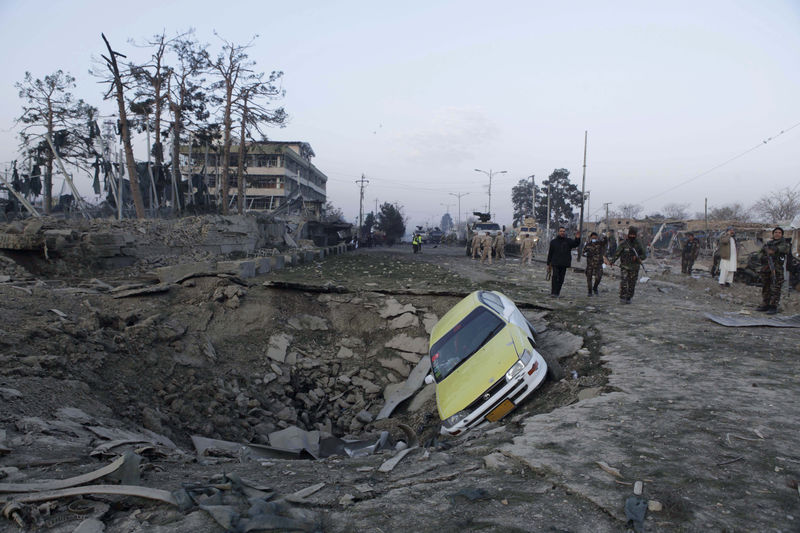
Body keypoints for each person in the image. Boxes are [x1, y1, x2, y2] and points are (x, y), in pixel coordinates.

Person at [606, 226, 647, 304]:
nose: (632, 236)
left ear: (635, 235)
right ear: (628, 234)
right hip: (624, 266)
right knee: (624, 282)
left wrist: (638, 257)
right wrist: (612, 261)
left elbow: (644, 255)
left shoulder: (639, 244)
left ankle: (629, 297)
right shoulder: (624, 244)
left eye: (633, 235)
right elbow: (617, 254)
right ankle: (622, 297)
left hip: (634, 267)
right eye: (630, 234)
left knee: (632, 283)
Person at [756, 227, 791, 314]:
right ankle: (765, 304)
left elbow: (784, 249)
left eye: (779, 232)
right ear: (773, 233)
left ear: (782, 234)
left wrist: (775, 250)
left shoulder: (784, 243)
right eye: (776, 232)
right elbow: (759, 254)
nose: (777, 234)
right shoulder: (768, 244)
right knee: (766, 287)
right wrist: (763, 256)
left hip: (777, 269)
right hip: (766, 268)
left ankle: (773, 306)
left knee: (776, 288)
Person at [546, 226, 581, 297]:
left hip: (564, 263)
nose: (562, 232)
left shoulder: (568, 241)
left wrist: (577, 238)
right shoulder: (553, 242)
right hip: (555, 263)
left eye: (563, 231)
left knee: (561, 279)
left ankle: (557, 293)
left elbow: (575, 244)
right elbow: (550, 253)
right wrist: (548, 263)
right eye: (561, 231)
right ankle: (553, 292)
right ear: (558, 232)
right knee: (555, 277)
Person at [583, 232, 607, 296]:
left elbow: (605, 242)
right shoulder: (588, 245)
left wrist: (605, 236)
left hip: (598, 264)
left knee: (598, 277)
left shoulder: (600, 243)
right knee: (589, 278)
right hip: (590, 264)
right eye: (593, 237)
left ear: (597, 237)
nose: (594, 238)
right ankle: (590, 291)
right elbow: (583, 251)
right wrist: (585, 253)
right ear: (591, 237)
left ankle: (595, 288)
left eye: (595, 237)